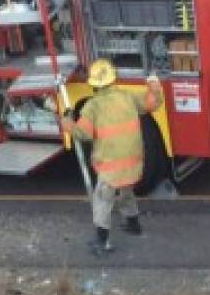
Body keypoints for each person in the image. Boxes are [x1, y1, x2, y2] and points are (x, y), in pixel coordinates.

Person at [63, 59, 163, 256]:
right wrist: (153, 83)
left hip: (110, 167)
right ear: (113, 79)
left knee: (102, 200)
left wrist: (67, 120)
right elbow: (154, 103)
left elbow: (82, 134)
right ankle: (133, 224)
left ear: (93, 84)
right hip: (133, 163)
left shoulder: (92, 106)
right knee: (126, 191)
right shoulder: (127, 97)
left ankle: (102, 242)